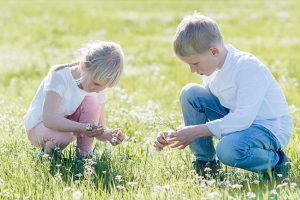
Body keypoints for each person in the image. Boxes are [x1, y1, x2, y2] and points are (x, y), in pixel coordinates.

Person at [154, 13, 292, 180]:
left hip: (268, 128)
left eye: (195, 63)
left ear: (213, 51)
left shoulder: (247, 67)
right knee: (190, 93)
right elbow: (204, 119)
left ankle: (277, 163)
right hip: (238, 120)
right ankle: (206, 164)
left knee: (227, 150)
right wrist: (176, 134)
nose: (192, 70)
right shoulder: (212, 69)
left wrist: (196, 131)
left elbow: (242, 119)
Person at [24, 41, 125, 158]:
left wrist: (108, 135)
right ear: (83, 66)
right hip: (39, 127)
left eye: (104, 86)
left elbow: (98, 128)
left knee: (93, 103)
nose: (98, 90)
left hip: (67, 125)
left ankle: (83, 156)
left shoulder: (97, 87)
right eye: (96, 83)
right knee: (63, 136)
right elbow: (49, 119)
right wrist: (83, 127)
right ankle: (48, 154)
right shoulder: (59, 76)